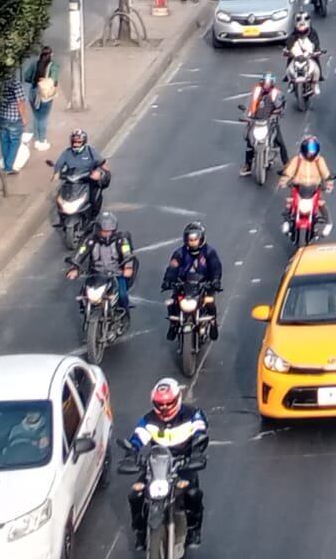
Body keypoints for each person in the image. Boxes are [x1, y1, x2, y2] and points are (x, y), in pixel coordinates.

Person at [127, 379, 209, 551]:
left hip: (184, 465)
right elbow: (137, 438)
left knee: (193, 494)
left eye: (168, 403)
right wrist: (131, 452)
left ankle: (194, 530)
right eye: (160, 404)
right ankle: (141, 532)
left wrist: (196, 451)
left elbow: (200, 430)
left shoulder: (193, 414)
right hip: (156, 467)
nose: (164, 408)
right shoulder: (147, 420)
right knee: (135, 494)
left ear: (177, 399)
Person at [162, 222, 222, 341]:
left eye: (195, 239)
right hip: (184, 284)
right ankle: (173, 324)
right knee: (172, 302)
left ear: (201, 239)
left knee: (209, 302)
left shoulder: (209, 252)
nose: (193, 242)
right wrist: (168, 280)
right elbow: (172, 267)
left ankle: (213, 322)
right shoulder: (179, 253)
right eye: (190, 240)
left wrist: (215, 281)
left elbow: (216, 267)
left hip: (203, 284)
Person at [67, 212, 137, 312]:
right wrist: (74, 268)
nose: (107, 234)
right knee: (83, 297)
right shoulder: (90, 240)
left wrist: (128, 267)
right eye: (104, 231)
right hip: (95, 275)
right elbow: (81, 253)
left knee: (122, 295)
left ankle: (125, 314)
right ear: (98, 229)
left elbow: (127, 254)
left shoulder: (121, 241)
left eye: (109, 231)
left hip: (116, 274)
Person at [50, 129, 109, 222]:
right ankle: (62, 217)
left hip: (87, 180)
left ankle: (93, 216)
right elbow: (59, 164)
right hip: (71, 181)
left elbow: (102, 163)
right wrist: (57, 172)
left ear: (83, 142)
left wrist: (101, 174)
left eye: (79, 142)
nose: (76, 144)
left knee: (93, 196)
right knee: (59, 196)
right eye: (74, 142)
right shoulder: (67, 152)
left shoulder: (90, 151)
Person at [278, 135, 334, 234]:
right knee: (290, 203)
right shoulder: (297, 160)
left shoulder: (319, 160)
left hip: (314, 187)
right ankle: (286, 221)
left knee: (321, 203)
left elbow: (325, 173)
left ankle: (328, 223)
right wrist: (283, 181)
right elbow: (289, 172)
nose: (310, 155)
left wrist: (329, 183)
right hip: (298, 187)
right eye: (308, 152)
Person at [241, 74, 287, 176]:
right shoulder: (256, 91)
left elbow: (281, 106)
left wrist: (278, 113)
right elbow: (248, 104)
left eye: (268, 83)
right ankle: (247, 165)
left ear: (272, 84)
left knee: (280, 141)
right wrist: (246, 116)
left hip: (270, 122)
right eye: (265, 82)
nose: (266, 85)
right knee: (249, 141)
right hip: (255, 121)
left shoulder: (276, 93)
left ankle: (286, 165)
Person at [22, 46, 59, 152]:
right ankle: (42, 140)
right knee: (43, 118)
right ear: (51, 54)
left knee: (36, 116)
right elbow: (54, 80)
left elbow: (27, 77)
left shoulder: (35, 64)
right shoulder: (53, 66)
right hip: (44, 94)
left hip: (33, 92)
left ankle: (36, 139)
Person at [0, 69, 30, 174]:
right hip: (14, 117)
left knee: (4, 141)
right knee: (14, 142)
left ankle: (6, 164)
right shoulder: (15, 83)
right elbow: (20, 102)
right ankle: (8, 167)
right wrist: (24, 118)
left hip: (2, 116)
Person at [284, 11, 323, 91]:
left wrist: (316, 51)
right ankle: (290, 81)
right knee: (289, 61)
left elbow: (316, 43)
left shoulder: (313, 32)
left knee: (316, 61)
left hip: (308, 54)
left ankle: (317, 81)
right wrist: (288, 51)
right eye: (298, 20)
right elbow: (289, 43)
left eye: (305, 19)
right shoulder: (293, 34)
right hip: (297, 55)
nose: (302, 22)